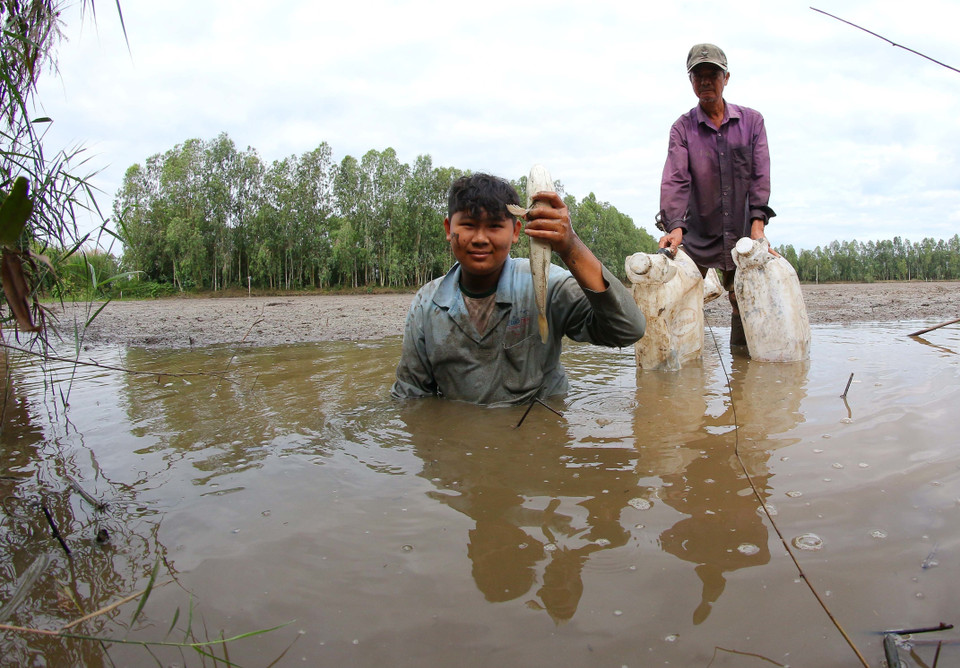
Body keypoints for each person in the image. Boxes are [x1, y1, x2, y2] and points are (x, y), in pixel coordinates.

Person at [391, 172, 645, 405]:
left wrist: (571, 246)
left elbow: (627, 330)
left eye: (494, 226)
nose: (480, 239)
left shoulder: (549, 284)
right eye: (468, 225)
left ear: (515, 232)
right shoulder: (427, 303)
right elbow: (411, 396)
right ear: (449, 229)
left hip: (540, 431)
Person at [658, 43, 776, 346]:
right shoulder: (682, 128)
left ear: (726, 77)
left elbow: (759, 176)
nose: (706, 81)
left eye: (713, 74)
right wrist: (674, 226)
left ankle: (744, 365)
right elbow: (676, 178)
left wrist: (757, 228)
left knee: (746, 303)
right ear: (691, 81)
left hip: (742, 232)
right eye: (699, 76)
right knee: (674, 300)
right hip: (697, 233)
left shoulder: (752, 122)